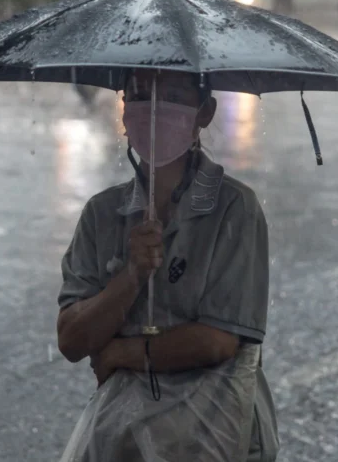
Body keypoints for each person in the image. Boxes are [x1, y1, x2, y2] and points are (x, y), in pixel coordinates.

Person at [56, 70, 278, 462]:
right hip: (121, 439)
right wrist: (132, 276)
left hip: (215, 435)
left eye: (172, 95)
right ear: (125, 110)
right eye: (140, 95)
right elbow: (73, 340)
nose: (154, 109)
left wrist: (122, 353)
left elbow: (218, 340)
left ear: (204, 112)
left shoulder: (235, 209)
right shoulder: (101, 214)